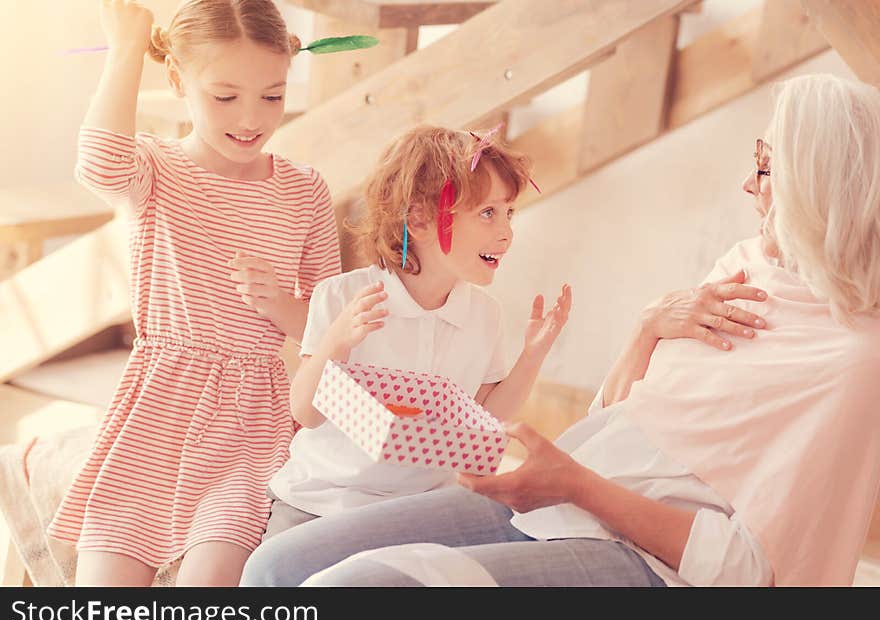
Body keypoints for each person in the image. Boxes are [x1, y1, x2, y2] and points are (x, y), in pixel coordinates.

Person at [243, 74, 880, 587]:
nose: (748, 185)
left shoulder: (852, 360)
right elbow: (624, 425)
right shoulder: (743, 268)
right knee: (274, 568)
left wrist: (564, 456)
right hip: (412, 494)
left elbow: (749, 570)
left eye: (768, 171)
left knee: (351, 590)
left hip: (627, 543)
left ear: (822, 189)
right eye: (486, 212)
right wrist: (646, 332)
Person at [48, 0, 344, 586]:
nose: (252, 117)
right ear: (179, 80)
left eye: (273, 95)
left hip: (254, 420)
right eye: (225, 96)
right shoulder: (155, 169)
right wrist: (129, 44)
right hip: (158, 403)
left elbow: (331, 325)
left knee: (208, 585)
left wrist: (280, 305)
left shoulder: (305, 190)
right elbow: (100, 162)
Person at [238, 124, 572, 582]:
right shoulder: (342, 296)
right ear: (417, 219)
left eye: (510, 213)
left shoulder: (484, 315)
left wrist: (532, 355)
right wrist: (337, 340)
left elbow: (485, 421)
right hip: (321, 501)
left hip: (416, 511)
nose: (507, 232)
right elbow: (306, 412)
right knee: (277, 577)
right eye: (488, 213)